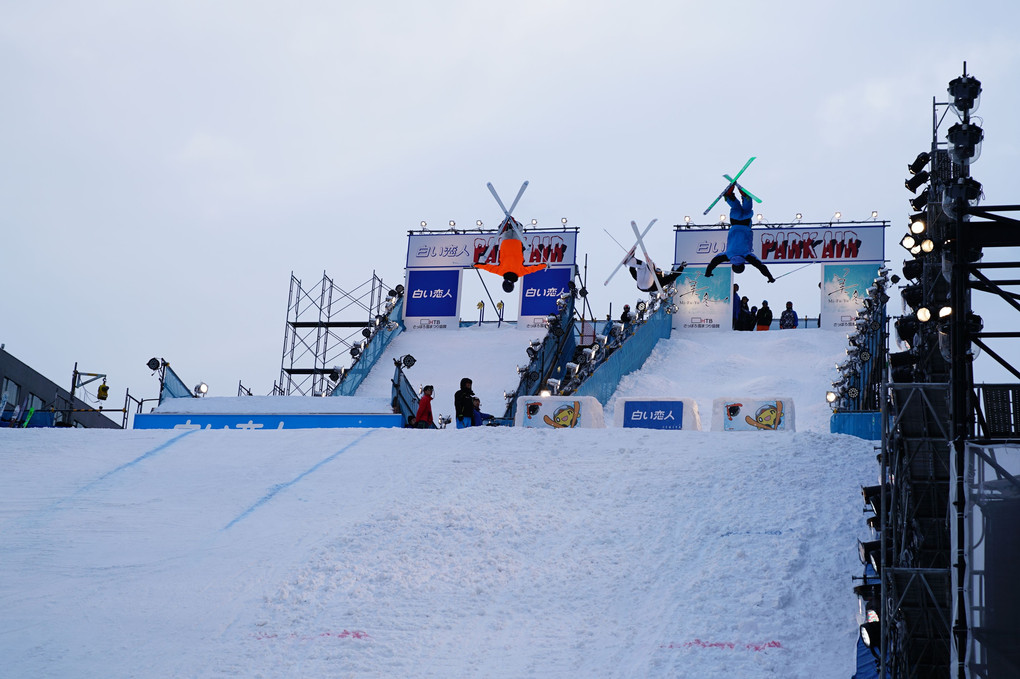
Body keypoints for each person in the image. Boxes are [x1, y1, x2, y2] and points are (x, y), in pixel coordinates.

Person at [703, 186, 776, 283]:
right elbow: (714, 262)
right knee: (735, 207)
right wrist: (708, 272)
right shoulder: (727, 255)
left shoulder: (746, 255)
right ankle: (729, 196)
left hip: (745, 224)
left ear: (743, 265)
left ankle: (746, 198)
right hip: (734, 222)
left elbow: (761, 267)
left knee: (747, 209)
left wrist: (770, 277)